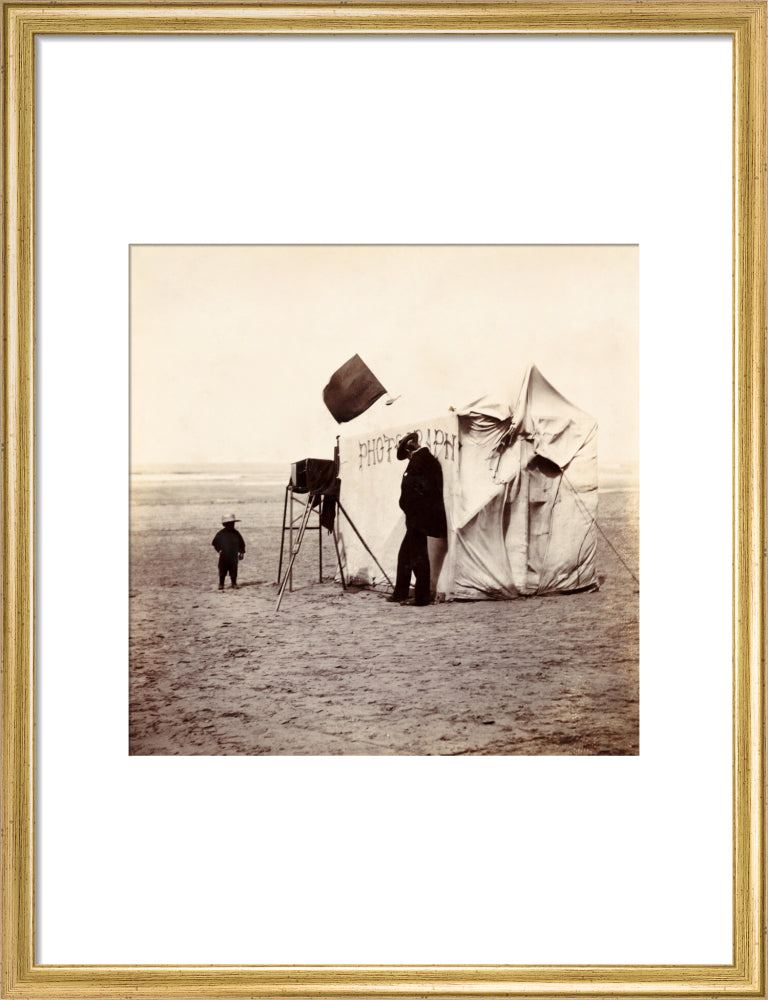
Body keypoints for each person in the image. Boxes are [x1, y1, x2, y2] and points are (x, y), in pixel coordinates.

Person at [388, 431, 447, 606]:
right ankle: (401, 592)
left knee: (418, 557)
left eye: (407, 452)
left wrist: (411, 508)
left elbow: (419, 490)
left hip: (418, 518)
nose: (408, 456)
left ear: (412, 445)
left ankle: (421, 597)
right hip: (416, 518)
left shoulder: (421, 461)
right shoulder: (423, 460)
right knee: (405, 555)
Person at [212, 514, 245, 590]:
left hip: (233, 556)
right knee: (222, 570)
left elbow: (242, 543)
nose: (231, 525)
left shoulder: (236, 533)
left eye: (232, 523)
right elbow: (214, 542)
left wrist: (241, 553)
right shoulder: (221, 533)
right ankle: (221, 584)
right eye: (229, 524)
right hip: (224, 556)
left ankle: (234, 583)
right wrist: (219, 550)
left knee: (233, 570)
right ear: (224, 525)